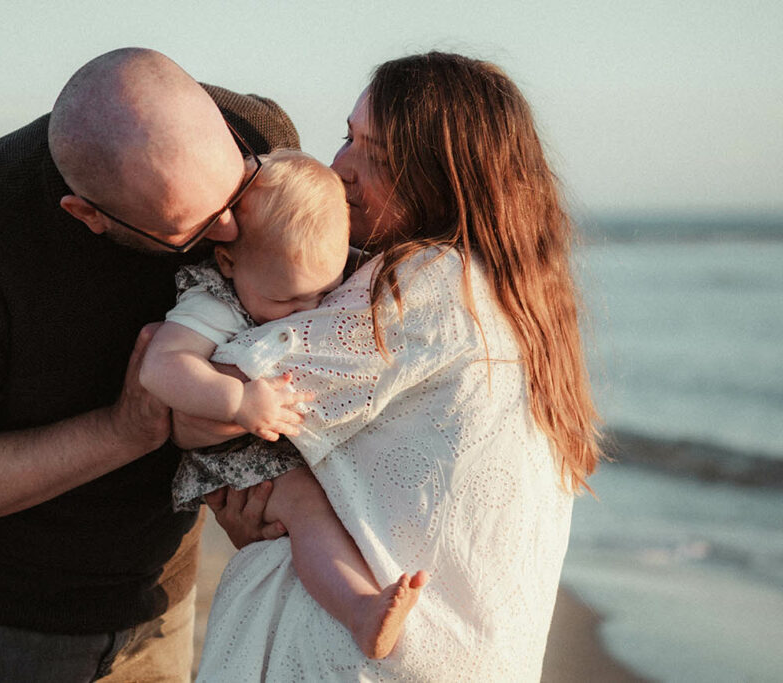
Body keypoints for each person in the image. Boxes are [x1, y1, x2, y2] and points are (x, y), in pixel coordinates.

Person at [0, 47, 300, 682]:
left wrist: (245, 481)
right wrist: (126, 429)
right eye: (194, 232)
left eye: (239, 193)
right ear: (85, 214)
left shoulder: (260, 141)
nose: (232, 233)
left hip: (163, 592)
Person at [186, 51, 603, 681]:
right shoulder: (528, 301)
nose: (340, 169)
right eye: (348, 138)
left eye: (377, 157)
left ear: (442, 180)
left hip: (357, 661)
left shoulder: (425, 285)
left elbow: (211, 391)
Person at [140, 148, 427, 659]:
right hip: (234, 455)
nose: (305, 314)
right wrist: (238, 400)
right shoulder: (212, 301)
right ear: (228, 261)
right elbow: (160, 369)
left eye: (323, 293)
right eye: (287, 303)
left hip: (280, 437)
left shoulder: (300, 272)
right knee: (306, 508)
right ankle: (359, 611)